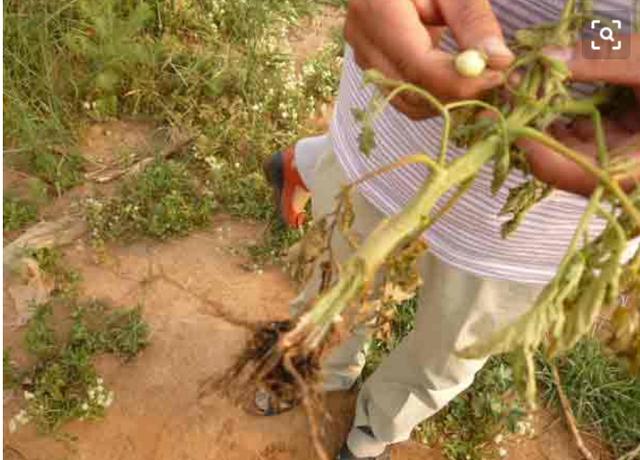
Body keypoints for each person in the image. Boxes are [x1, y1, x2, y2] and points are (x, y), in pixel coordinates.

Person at [262, 1, 640, 459]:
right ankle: (312, 370)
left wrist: (605, 45)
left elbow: (606, 33)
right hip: (394, 120)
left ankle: (373, 429)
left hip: (542, 230)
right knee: (332, 281)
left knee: (445, 357)